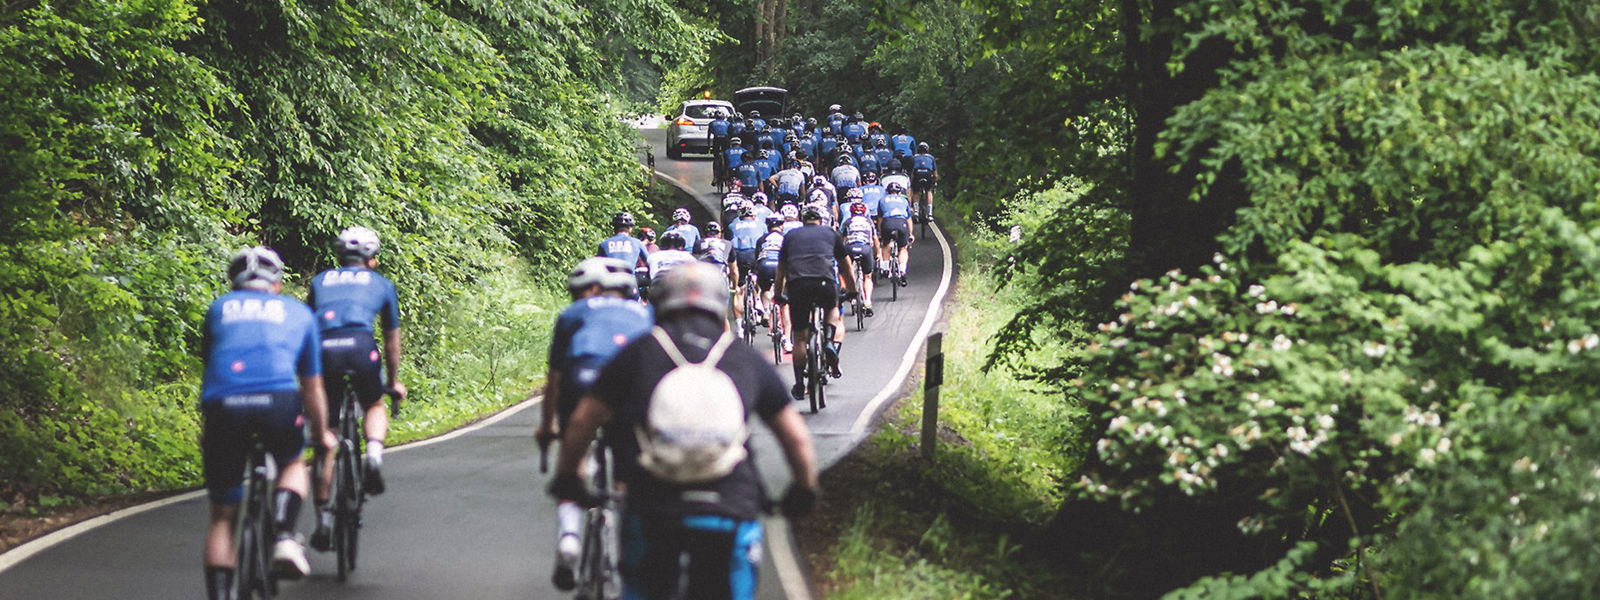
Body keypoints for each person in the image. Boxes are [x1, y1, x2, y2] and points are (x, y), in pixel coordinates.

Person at [549, 263, 820, 600]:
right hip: (730, 505)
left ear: (661, 304)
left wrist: (568, 478)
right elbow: (795, 436)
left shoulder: (637, 352)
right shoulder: (743, 357)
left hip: (653, 505)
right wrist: (803, 489)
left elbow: (582, 422)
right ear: (718, 305)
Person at [200, 247, 333, 598]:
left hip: (224, 405)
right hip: (278, 401)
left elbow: (211, 363)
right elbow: (312, 386)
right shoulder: (299, 313)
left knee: (223, 517)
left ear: (234, 283)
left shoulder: (218, 308)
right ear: (277, 284)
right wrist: (321, 434)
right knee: (292, 463)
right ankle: (285, 536)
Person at [540, 257, 652, 590]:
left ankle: (569, 537)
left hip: (583, 375)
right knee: (630, 468)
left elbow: (554, 379)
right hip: (630, 380)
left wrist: (548, 426)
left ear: (593, 289)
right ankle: (628, 530)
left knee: (573, 455)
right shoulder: (645, 314)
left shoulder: (573, 313)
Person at [307, 226, 407, 550]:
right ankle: (373, 456)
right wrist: (392, 382)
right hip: (362, 348)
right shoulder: (382, 284)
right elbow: (391, 341)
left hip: (325, 351)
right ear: (372, 259)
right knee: (374, 404)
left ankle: (323, 519)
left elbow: (307, 329)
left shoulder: (320, 281)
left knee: (327, 438)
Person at [773, 204, 860, 398]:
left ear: (802, 221)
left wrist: (778, 294)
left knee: (800, 337)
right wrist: (852, 290)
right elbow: (846, 266)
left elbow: (781, 271)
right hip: (825, 282)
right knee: (832, 308)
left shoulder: (790, 236)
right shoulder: (831, 234)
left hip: (798, 285)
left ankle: (799, 383)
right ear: (820, 220)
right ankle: (828, 341)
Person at [840, 202, 879, 316]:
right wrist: (877, 254)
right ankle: (868, 301)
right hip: (865, 248)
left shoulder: (848, 221)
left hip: (850, 248)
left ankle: (851, 294)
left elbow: (841, 239)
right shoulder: (869, 221)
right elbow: (875, 239)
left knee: (847, 271)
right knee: (867, 276)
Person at [878, 182, 915, 285]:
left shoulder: (882, 200)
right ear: (899, 192)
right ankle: (902, 270)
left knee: (885, 244)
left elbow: (880, 219)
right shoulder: (904, 200)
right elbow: (909, 219)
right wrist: (910, 234)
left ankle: (885, 268)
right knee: (903, 248)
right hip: (901, 223)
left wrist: (880, 233)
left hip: (887, 222)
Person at [599, 211, 650, 280]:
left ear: (614, 228)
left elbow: (598, 266)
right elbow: (650, 263)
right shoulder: (637, 243)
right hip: (628, 280)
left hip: (610, 280)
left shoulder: (604, 244)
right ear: (630, 229)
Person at [911, 142, 938, 222]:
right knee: (929, 191)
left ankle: (916, 212)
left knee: (916, 192)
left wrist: (911, 182)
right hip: (927, 174)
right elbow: (935, 174)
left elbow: (912, 172)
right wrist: (934, 181)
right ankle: (930, 214)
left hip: (918, 174)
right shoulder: (931, 157)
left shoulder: (914, 157)